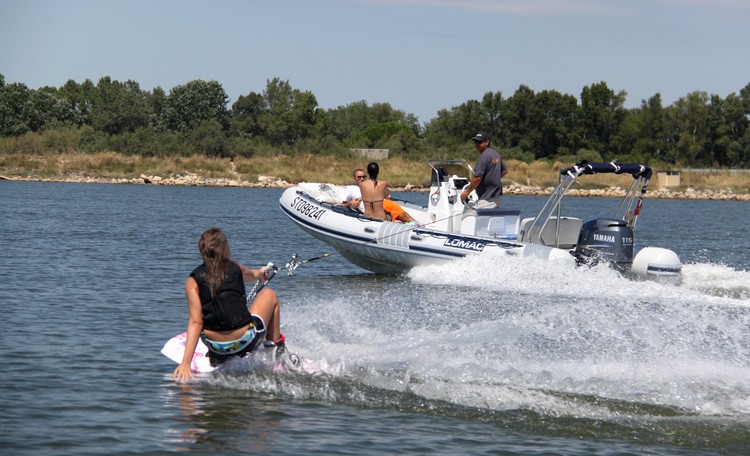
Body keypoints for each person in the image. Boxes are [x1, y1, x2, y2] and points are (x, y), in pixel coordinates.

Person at [173, 228, 289, 382]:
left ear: (202, 251)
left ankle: (218, 357)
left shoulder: (192, 282)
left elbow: (196, 322)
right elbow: (255, 275)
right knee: (269, 295)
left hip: (217, 348)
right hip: (246, 342)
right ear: (226, 249)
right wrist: (262, 272)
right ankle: (275, 350)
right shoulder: (237, 269)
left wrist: (185, 364)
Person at [459, 131, 508, 234]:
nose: (477, 145)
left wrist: (466, 193)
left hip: (486, 198)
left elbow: (477, 178)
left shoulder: (484, 157)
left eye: (479, 142)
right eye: (475, 142)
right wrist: (493, 178)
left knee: (481, 227)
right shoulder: (496, 154)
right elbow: (504, 171)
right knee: (492, 226)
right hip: (497, 197)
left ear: (487, 142)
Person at [342, 168, 417, 224]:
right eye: (359, 177)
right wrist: (351, 203)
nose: (362, 179)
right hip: (371, 208)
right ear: (354, 178)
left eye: (363, 177)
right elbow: (343, 203)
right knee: (391, 219)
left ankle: (416, 225)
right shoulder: (350, 188)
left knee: (404, 216)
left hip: (384, 203)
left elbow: (386, 195)